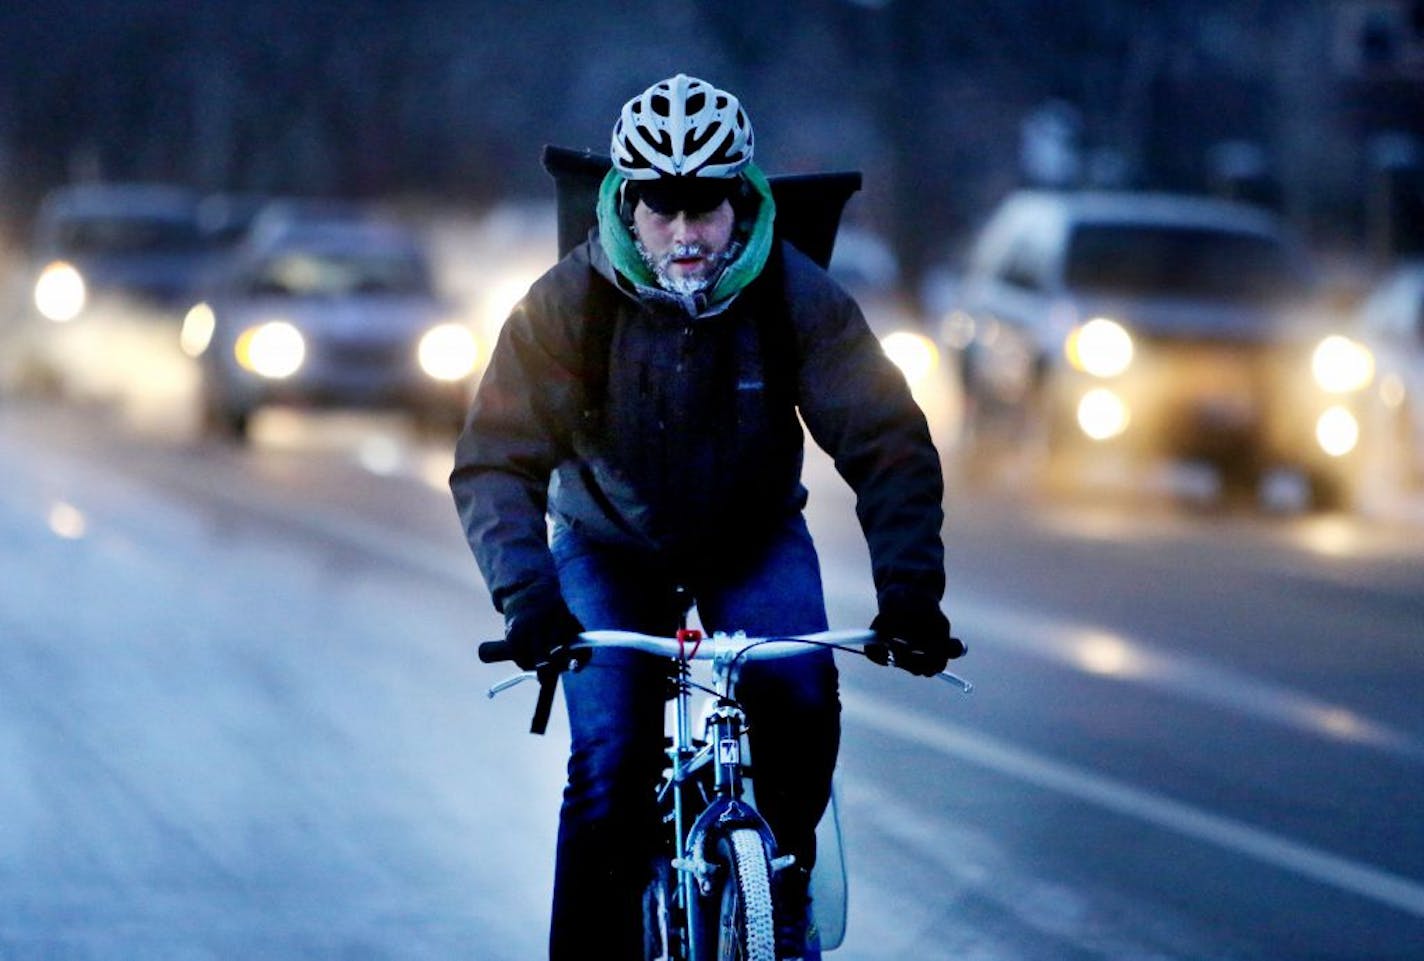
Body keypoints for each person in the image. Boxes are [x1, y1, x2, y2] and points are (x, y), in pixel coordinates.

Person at [450, 73, 964, 961]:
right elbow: (495, 461)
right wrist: (528, 600)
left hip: (751, 536)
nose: (685, 235)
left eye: (707, 208)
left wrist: (912, 594)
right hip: (608, 542)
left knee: (800, 699)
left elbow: (889, 444)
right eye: (662, 209)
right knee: (610, 765)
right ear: (626, 201)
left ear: (741, 200)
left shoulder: (796, 296)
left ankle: (786, 882)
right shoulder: (564, 306)